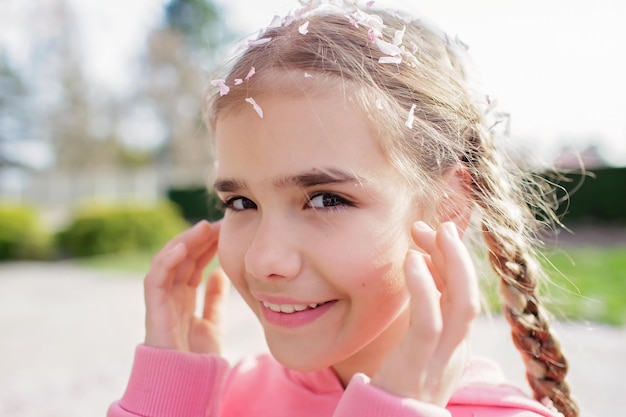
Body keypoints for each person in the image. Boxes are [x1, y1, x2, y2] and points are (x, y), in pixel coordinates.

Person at [108, 1, 578, 416]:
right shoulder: (224, 396)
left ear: (448, 204)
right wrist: (168, 401)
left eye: (326, 199)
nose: (263, 260)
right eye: (241, 202)